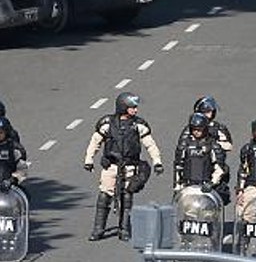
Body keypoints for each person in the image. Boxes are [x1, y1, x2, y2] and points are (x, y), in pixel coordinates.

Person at [83, 91, 164, 241]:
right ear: (123, 107)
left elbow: (150, 144)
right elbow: (95, 142)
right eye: (132, 107)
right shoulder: (107, 123)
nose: (135, 110)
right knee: (104, 196)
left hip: (130, 166)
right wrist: (89, 159)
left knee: (127, 196)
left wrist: (157, 161)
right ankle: (98, 229)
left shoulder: (138, 125)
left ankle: (124, 229)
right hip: (111, 166)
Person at [173, 113, 229, 201]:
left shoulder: (212, 146)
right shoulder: (184, 145)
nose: (196, 132)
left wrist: (212, 183)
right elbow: (178, 166)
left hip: (205, 188)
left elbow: (219, 168)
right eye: (194, 129)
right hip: (188, 187)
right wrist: (177, 187)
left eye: (199, 129)